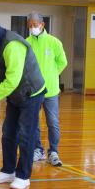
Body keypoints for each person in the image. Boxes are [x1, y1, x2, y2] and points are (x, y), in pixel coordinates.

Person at [0, 18, 46, 189]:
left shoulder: (12, 45)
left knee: (25, 135)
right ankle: (8, 171)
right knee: (8, 132)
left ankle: (23, 176)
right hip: (15, 93)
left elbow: (13, 79)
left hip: (31, 92)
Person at [25, 12, 67, 167]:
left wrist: (52, 75)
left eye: (35, 25)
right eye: (30, 25)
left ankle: (53, 152)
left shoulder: (54, 42)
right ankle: (38, 150)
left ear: (42, 25)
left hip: (51, 91)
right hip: (33, 91)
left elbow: (62, 62)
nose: (32, 28)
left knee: (53, 122)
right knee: (34, 122)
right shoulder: (26, 43)